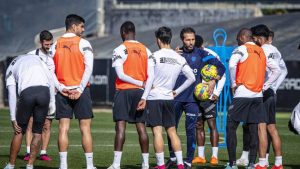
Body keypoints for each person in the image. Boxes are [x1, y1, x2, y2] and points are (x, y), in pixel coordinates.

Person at [166, 27, 225, 169]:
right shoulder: (175, 54)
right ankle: (173, 157)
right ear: (182, 40)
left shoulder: (202, 54)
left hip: (192, 99)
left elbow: (221, 67)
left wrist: (213, 80)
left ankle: (188, 160)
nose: (191, 42)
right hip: (176, 97)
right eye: (188, 40)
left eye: (192, 39)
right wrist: (172, 56)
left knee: (191, 130)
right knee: (170, 128)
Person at [137, 26, 195, 169]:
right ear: (170, 38)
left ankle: (161, 165)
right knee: (172, 131)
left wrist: (144, 97)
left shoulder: (154, 56)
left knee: (157, 131)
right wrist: (177, 91)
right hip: (169, 98)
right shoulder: (179, 58)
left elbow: (150, 79)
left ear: (158, 40)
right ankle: (181, 164)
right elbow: (192, 78)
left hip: (154, 98)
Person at [50, 14, 96, 169]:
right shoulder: (84, 43)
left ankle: (63, 166)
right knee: (85, 129)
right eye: (82, 26)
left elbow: (50, 71)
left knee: (63, 128)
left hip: (63, 92)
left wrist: (61, 88)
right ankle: (89, 166)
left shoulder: (55, 45)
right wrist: (80, 89)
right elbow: (89, 68)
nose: (83, 30)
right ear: (74, 26)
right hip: (81, 91)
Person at [236, 30, 287, 169]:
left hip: (262, 92)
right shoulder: (275, 50)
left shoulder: (260, 50)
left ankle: (263, 162)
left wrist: (264, 86)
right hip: (271, 93)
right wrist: (273, 87)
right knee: (272, 128)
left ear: (258, 38)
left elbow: (275, 69)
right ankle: (278, 163)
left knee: (261, 128)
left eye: (254, 38)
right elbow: (283, 70)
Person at [108, 21, 152, 169]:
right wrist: (144, 92)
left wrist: (139, 83)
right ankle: (145, 164)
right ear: (134, 32)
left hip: (124, 91)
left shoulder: (119, 49)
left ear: (122, 33)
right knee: (142, 128)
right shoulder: (146, 50)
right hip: (140, 93)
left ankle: (116, 164)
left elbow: (120, 74)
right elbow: (150, 77)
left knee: (120, 128)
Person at [4, 54, 55, 169]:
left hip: (28, 93)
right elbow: (51, 79)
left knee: (19, 131)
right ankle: (30, 165)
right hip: (44, 92)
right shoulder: (39, 59)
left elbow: (12, 94)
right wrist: (52, 102)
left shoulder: (11, 66)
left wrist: (13, 118)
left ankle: (11, 165)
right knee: (37, 133)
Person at [225, 28, 266, 169]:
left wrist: (233, 84)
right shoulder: (262, 51)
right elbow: (274, 70)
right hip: (258, 95)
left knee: (230, 127)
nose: (237, 41)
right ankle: (251, 164)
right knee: (253, 129)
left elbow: (231, 65)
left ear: (242, 37)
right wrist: (264, 86)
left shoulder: (242, 48)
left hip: (242, 93)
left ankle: (232, 164)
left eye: (237, 38)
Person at [192, 35, 226, 165]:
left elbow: (222, 75)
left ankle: (214, 156)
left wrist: (217, 92)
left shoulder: (210, 55)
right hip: (196, 96)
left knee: (212, 125)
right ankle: (201, 156)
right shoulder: (190, 55)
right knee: (198, 125)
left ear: (200, 46)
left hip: (209, 96)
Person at [23, 30, 55, 161]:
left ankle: (43, 153)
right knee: (31, 123)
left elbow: (53, 78)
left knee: (47, 124)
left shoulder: (53, 56)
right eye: (47, 44)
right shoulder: (31, 55)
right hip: (33, 93)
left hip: (48, 95)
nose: (49, 46)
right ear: (41, 42)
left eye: (50, 44)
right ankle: (28, 152)